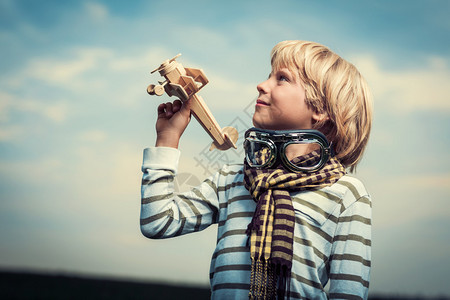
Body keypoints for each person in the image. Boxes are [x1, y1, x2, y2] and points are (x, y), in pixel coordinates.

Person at [140, 40, 373, 299]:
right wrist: (167, 139)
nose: (261, 85)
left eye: (282, 78)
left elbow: (348, 294)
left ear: (321, 109)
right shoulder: (230, 179)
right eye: (269, 76)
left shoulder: (347, 195)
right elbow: (157, 222)